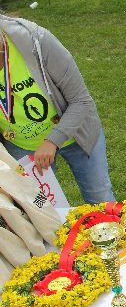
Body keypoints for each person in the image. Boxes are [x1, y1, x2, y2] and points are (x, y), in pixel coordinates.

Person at [0, 15, 115, 204]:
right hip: (21, 146)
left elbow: (81, 100)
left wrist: (53, 140)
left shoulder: (36, 40)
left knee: (100, 199)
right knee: (47, 212)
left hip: (77, 135)